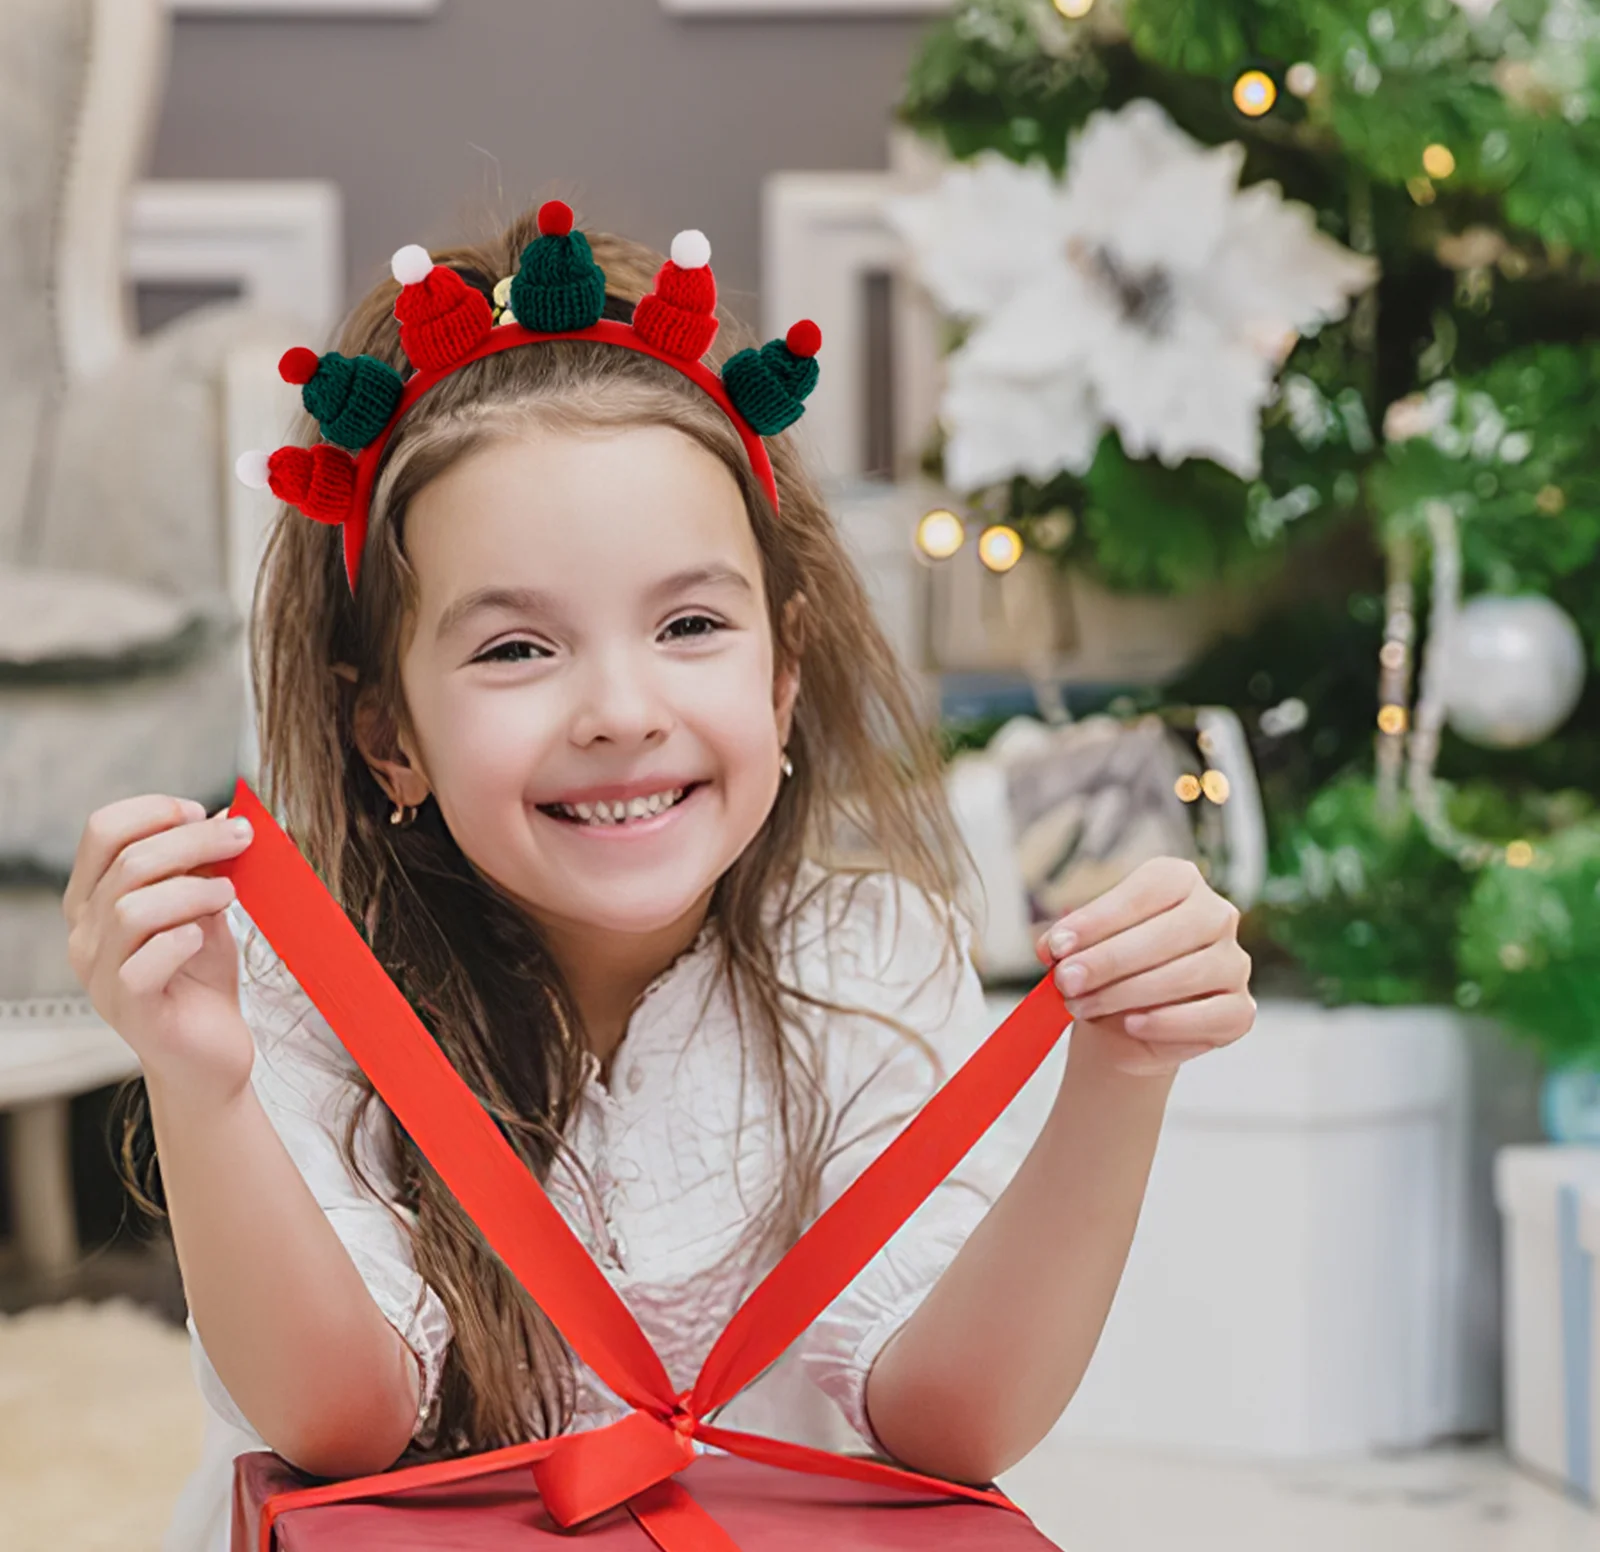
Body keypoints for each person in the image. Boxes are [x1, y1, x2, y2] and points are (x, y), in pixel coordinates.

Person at [60, 203, 1255, 1552]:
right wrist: (204, 1084)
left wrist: (1120, 1078)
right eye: (516, 650)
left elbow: (951, 1425)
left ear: (783, 674)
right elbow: (343, 1428)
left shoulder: (870, 959)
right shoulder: (300, 996)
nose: (622, 712)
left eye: (689, 624)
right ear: (387, 736)